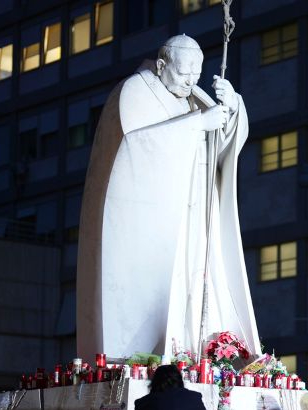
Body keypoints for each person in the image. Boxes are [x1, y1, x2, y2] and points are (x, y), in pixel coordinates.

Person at [77, 34, 260, 362]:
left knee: (199, 281)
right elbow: (135, 148)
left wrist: (232, 109)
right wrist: (197, 125)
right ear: (162, 65)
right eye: (183, 73)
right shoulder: (135, 92)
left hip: (197, 209)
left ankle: (196, 352)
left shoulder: (196, 98)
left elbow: (221, 153)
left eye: (196, 74)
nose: (191, 81)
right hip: (157, 218)